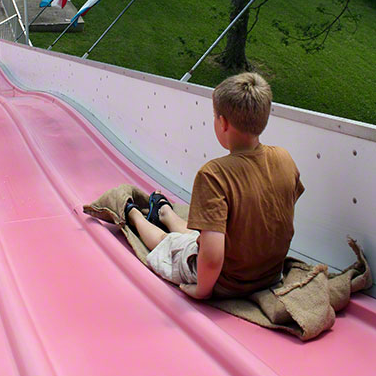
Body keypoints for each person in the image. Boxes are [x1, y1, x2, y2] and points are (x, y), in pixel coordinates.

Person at [125, 72, 305, 300]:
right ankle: (165, 212)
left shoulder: (214, 175)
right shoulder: (285, 159)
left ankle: (133, 215)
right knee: (196, 236)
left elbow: (211, 258)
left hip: (226, 281)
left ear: (223, 123)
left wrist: (202, 291)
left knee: (168, 242)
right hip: (269, 275)